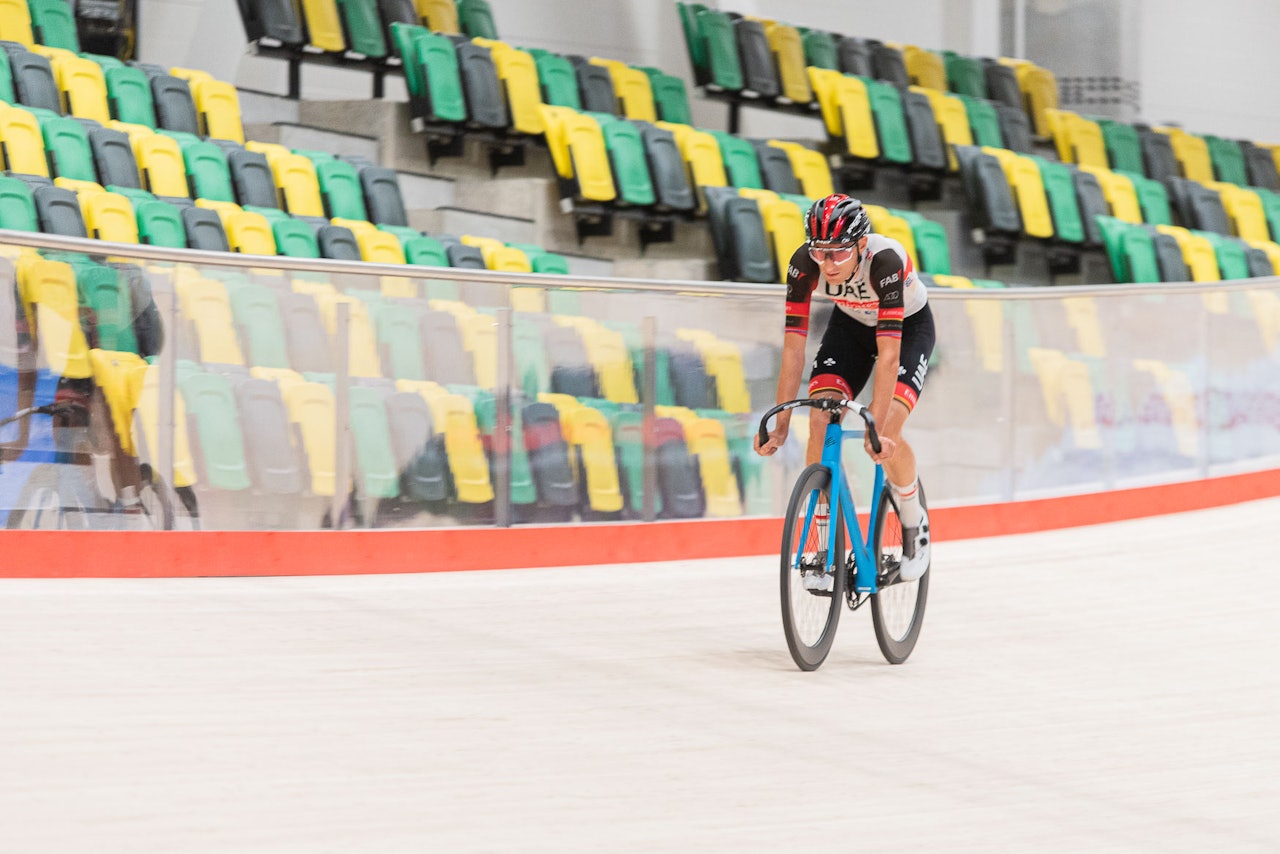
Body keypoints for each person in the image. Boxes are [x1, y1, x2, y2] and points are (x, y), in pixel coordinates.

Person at [753, 193, 936, 583]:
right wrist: (781, 423)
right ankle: (822, 548)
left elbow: (889, 357)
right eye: (820, 252)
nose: (828, 264)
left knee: (887, 432)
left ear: (861, 243)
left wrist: (876, 424)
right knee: (820, 416)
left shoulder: (886, 261)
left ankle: (913, 520)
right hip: (850, 329)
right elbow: (793, 350)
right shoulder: (804, 264)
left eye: (838, 253)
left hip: (907, 330)